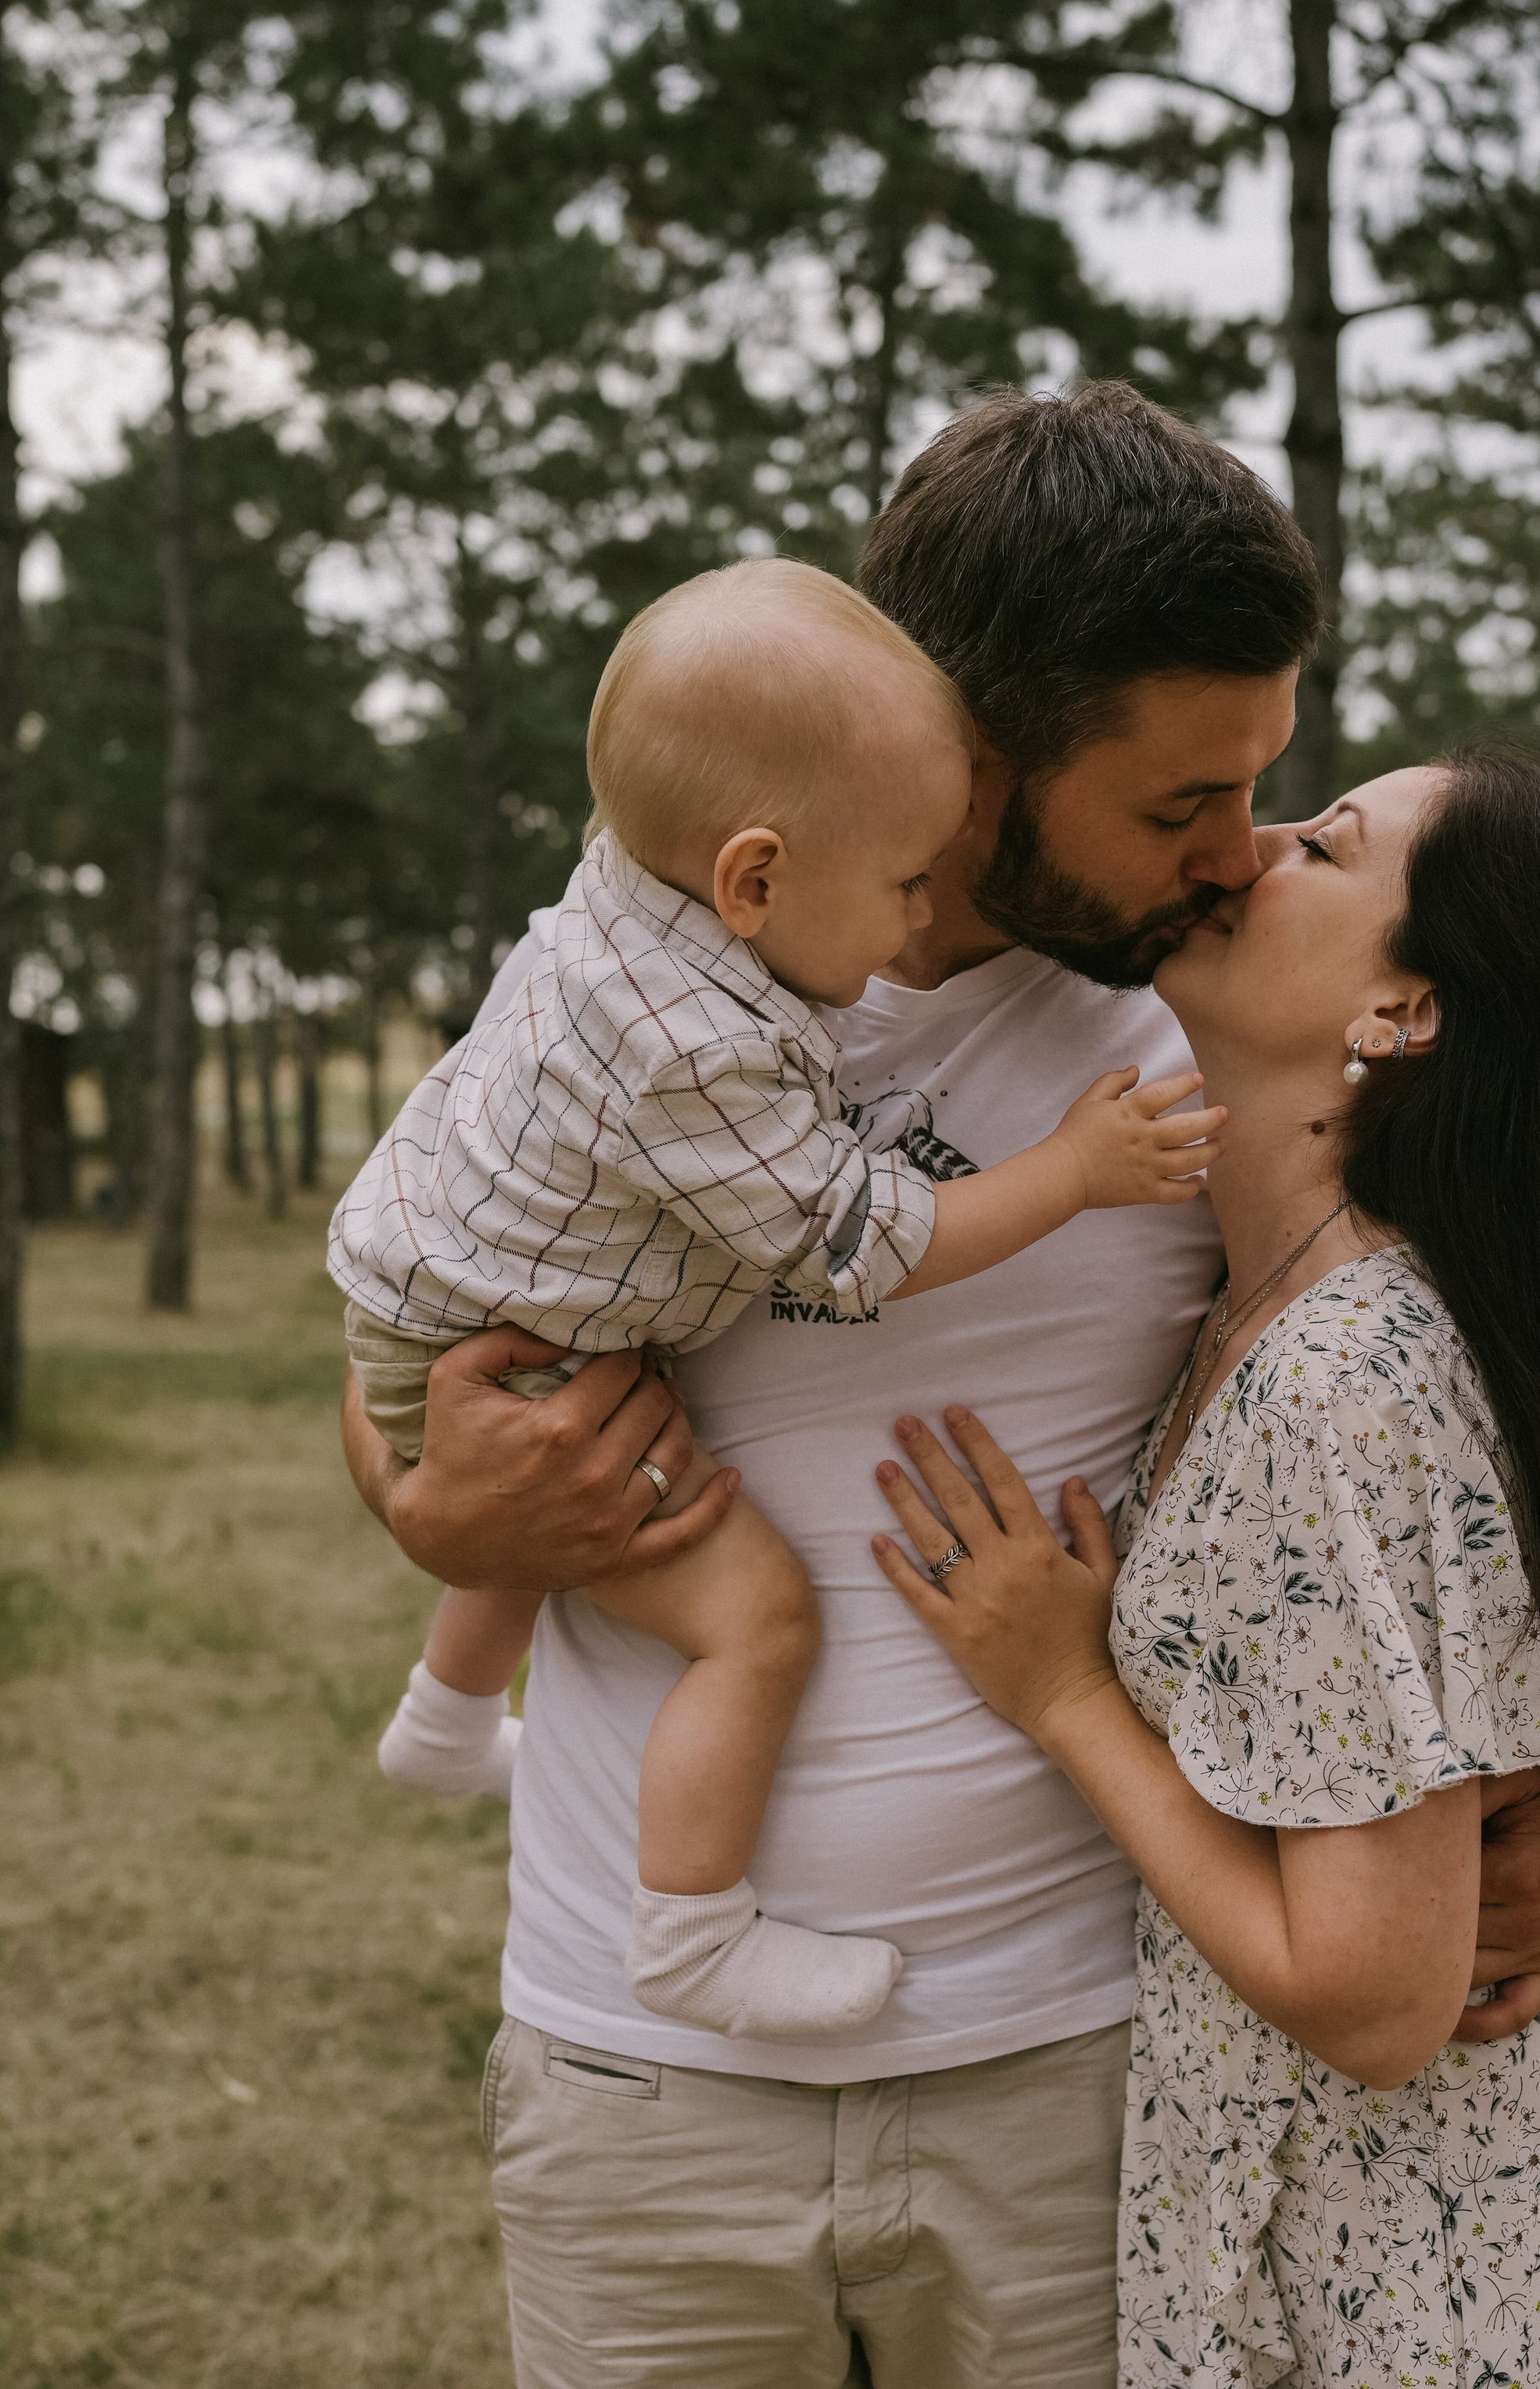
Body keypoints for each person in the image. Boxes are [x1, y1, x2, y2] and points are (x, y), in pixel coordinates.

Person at [338, 385, 1540, 2389]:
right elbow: (422, 1346)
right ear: (984, 751)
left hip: (1073, 2079)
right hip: (639, 2076)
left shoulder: (1211, 1037)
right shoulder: (653, 978)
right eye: (1179, 801)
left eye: (1256, 792)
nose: (1235, 852)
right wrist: (442, 1516)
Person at [872, 751, 1540, 2389]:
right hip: (1433, 2251)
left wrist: (1060, 1692)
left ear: (1401, 1008)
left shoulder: (1339, 1379)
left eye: (1326, 843)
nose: (1251, 843)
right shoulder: (1319, 1302)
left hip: (1440, 2301)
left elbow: (1371, 2001)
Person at [330, 559, 1219, 2043]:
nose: (922, 900)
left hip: (481, 1298)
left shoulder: (633, 883)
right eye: (906, 878)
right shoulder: (708, 1050)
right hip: (517, 1344)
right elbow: (860, 1235)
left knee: (591, 1448)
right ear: (753, 877)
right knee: (754, 1616)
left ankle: (440, 1720)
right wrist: (1073, 1168)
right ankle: (691, 1933)